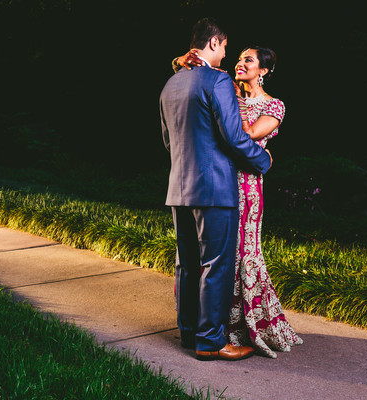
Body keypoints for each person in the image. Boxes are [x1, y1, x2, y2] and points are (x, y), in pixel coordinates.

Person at [173, 46, 303, 358]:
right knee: (214, 256)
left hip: (247, 187)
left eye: (249, 60)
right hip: (217, 180)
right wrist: (181, 62)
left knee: (244, 252)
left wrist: (230, 103)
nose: (240, 63)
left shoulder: (274, 106)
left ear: (264, 70)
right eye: (239, 58)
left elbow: (244, 135)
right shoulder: (226, 92)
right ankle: (214, 327)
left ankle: (248, 325)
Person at [160, 17, 272, 361]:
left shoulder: (171, 84)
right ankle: (211, 342)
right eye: (224, 46)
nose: (226, 53)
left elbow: (168, 141)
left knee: (188, 265)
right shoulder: (217, 80)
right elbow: (234, 137)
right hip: (215, 189)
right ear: (213, 42)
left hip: (180, 187)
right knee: (217, 266)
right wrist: (263, 160)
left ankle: (189, 333)